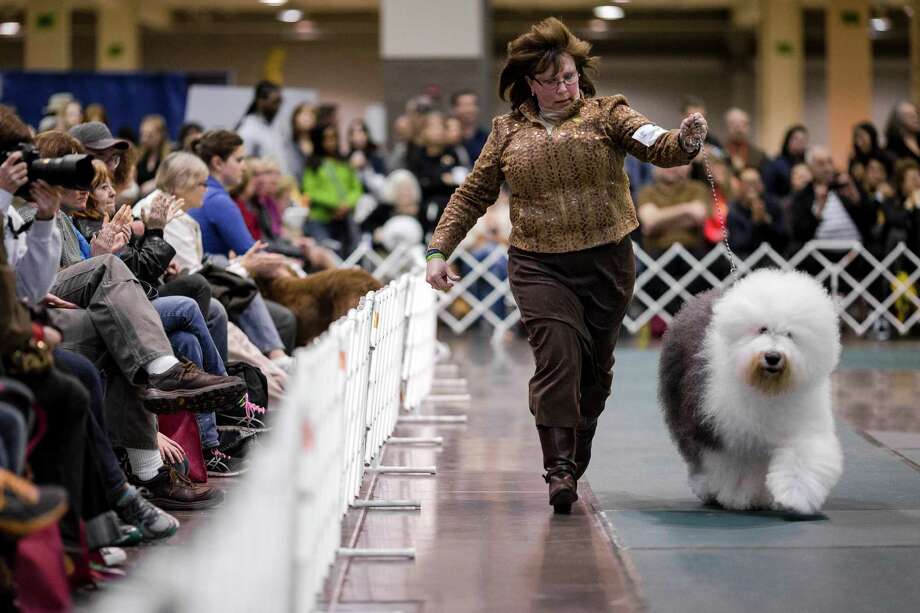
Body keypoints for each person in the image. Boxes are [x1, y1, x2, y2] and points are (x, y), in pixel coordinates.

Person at [425, 18, 706, 514]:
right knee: (557, 359)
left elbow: (655, 144)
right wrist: (438, 250)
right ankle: (558, 469)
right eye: (551, 80)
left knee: (594, 375)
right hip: (538, 264)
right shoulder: (506, 130)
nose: (563, 87)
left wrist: (684, 141)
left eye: (570, 77)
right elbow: (472, 194)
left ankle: (576, 446)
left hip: (606, 261)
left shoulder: (608, 113)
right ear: (529, 83)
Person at [302, 123, 363, 256]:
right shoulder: (313, 165)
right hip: (321, 218)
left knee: (352, 254)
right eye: (326, 138)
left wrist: (347, 204)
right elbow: (310, 191)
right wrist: (335, 204)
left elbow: (356, 188)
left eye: (334, 137)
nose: (331, 142)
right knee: (328, 255)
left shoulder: (344, 163)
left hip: (345, 218)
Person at [237, 80, 288, 175]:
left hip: (280, 184)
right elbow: (243, 162)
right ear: (260, 102)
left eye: (280, 102)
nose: (278, 107)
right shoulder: (248, 129)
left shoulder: (276, 126)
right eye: (274, 102)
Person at [762, 124, 809, 199]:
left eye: (803, 139)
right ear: (787, 141)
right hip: (782, 204)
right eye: (796, 139)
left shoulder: (808, 164)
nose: (800, 142)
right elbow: (768, 193)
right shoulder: (774, 164)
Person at [136, 114, 173, 196]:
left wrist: (155, 183)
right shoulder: (138, 155)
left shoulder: (170, 158)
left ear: (161, 136)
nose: (144, 139)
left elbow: (171, 180)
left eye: (150, 136)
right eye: (142, 134)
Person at [450, 89, 489, 164]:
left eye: (473, 104)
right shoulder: (445, 139)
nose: (469, 109)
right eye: (464, 105)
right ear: (454, 109)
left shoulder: (487, 138)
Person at [724, 107, 766, 173]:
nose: (738, 128)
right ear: (727, 126)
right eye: (733, 124)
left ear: (748, 127)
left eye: (743, 124)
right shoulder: (718, 151)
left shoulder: (759, 155)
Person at [884, 101, 920, 165]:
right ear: (899, 120)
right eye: (909, 115)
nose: (915, 117)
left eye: (916, 113)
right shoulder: (893, 146)